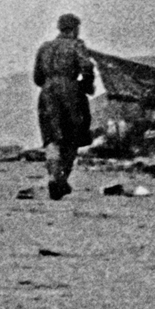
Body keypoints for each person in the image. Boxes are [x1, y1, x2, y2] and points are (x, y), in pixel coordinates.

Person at [33, 13, 96, 200]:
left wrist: (49, 83)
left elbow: (37, 77)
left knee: (51, 138)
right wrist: (86, 86)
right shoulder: (76, 45)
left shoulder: (44, 48)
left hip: (47, 93)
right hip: (70, 92)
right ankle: (61, 179)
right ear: (75, 29)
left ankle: (53, 177)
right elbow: (87, 67)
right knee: (72, 137)